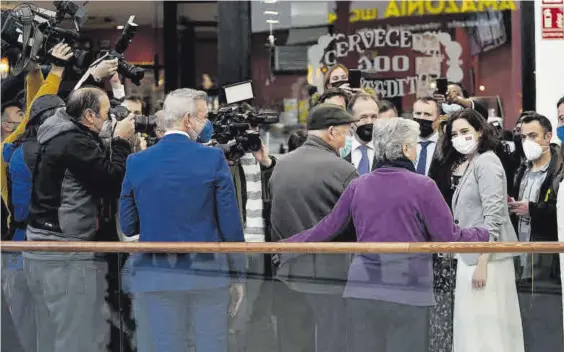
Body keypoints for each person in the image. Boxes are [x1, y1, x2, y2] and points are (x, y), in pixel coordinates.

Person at [282, 117, 489, 352]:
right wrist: (483, 234)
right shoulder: (424, 186)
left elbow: (327, 228)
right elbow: (449, 237)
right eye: (413, 143)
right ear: (404, 148)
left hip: (363, 291)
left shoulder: (358, 186)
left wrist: (286, 246)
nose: (415, 149)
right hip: (409, 291)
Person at [119, 88, 245, 352]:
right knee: (212, 344)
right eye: (204, 116)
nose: (207, 123)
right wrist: (239, 275)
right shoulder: (212, 158)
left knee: (166, 345)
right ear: (188, 119)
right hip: (208, 273)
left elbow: (129, 224)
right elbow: (230, 224)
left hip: (156, 273)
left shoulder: (137, 161)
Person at [23, 86, 135, 352]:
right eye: (106, 114)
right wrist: (120, 143)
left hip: (39, 245)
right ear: (89, 115)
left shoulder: (58, 132)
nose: (109, 120)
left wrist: (108, 137)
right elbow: (110, 181)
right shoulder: (74, 143)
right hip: (65, 251)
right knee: (74, 335)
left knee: (49, 333)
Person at [269, 103, 358, 352]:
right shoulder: (344, 170)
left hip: (287, 272)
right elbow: (356, 224)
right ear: (331, 132)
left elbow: (274, 216)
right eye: (346, 131)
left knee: (292, 343)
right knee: (334, 342)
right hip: (331, 277)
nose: (347, 139)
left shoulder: (281, 166)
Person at [439, 109, 523, 352]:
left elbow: (493, 215)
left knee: (488, 331)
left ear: (479, 131)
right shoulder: (469, 163)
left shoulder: (487, 162)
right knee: (472, 330)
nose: (459, 137)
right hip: (471, 256)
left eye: (465, 131)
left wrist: (484, 260)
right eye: (454, 133)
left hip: (487, 260)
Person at [509, 112, 563, 352]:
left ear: (548, 136)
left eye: (533, 136)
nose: (527, 142)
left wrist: (533, 209)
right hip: (520, 255)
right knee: (524, 317)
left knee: (547, 317)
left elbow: (558, 215)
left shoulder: (558, 172)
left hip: (547, 257)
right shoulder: (521, 170)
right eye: (523, 137)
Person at [342, 93, 379, 174]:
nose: (369, 122)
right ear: (351, 121)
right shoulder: (340, 152)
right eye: (363, 117)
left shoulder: (387, 152)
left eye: (373, 117)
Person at [413, 96, 441, 176]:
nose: (421, 118)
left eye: (427, 114)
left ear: (438, 118)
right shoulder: (404, 143)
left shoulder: (446, 145)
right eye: (418, 113)